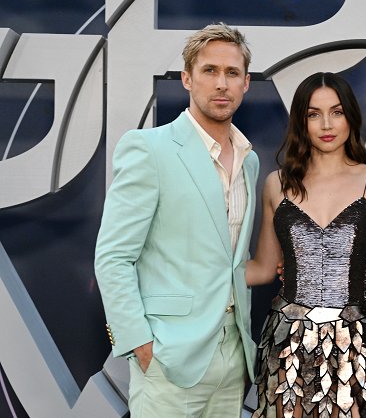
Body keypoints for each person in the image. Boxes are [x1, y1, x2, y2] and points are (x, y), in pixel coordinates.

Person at [95, 22, 258, 418]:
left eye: (232, 73)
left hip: (234, 353)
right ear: (187, 78)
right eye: (209, 71)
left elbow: (232, 260)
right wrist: (140, 344)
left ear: (245, 83)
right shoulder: (148, 149)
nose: (221, 84)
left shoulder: (249, 160)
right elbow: (113, 257)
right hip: (169, 358)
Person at [245, 72, 366, 418]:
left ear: (351, 117)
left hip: (358, 344)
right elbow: (264, 268)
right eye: (313, 114)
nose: (326, 124)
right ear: (301, 121)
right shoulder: (276, 184)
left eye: (337, 112)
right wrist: (187, 276)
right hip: (288, 342)